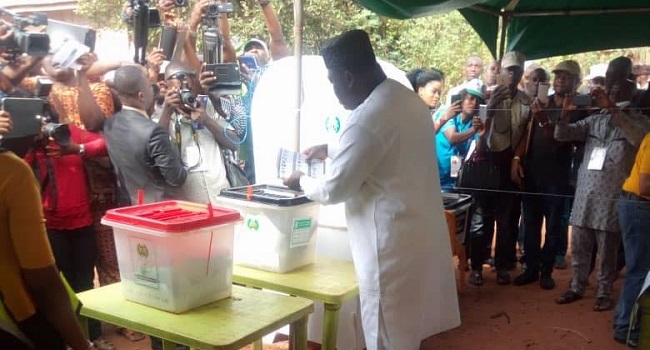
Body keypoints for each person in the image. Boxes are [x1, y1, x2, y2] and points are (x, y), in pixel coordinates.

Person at [283, 29, 459, 350]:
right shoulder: (406, 99)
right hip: (416, 239)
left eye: (333, 81)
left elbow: (335, 189)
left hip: (388, 251)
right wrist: (333, 148)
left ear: (348, 77)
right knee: (406, 332)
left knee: (385, 334)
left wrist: (300, 181)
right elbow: (386, 152)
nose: (335, 91)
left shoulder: (365, 117)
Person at [555, 56, 650, 312]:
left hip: (611, 197)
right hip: (585, 194)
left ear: (631, 84)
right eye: (609, 81)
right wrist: (562, 117)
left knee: (608, 249)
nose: (612, 86)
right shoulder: (594, 120)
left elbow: (639, 139)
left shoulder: (640, 120)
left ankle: (604, 292)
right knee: (580, 245)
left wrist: (612, 108)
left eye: (618, 80)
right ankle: (577, 286)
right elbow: (563, 135)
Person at [0, 111, 98, 350]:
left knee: (83, 278)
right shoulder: (11, 171)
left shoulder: (70, 134)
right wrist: (82, 345)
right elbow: (43, 283)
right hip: (13, 318)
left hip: (80, 220)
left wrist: (77, 149)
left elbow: (101, 143)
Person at [103, 65, 187, 206]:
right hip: (157, 211)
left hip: (128, 209)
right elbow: (176, 178)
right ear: (141, 96)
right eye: (149, 85)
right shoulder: (153, 132)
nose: (154, 89)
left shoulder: (110, 124)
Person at [612, 129, 650, 348]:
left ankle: (623, 321)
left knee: (639, 268)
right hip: (638, 205)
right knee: (640, 270)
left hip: (636, 205)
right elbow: (645, 185)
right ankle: (626, 327)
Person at [435, 87, 483, 190]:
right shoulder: (447, 112)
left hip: (452, 181)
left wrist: (481, 133)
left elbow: (479, 149)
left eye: (477, 101)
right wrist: (474, 130)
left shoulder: (474, 122)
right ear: (461, 100)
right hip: (433, 176)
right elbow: (452, 138)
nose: (474, 103)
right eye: (470, 98)